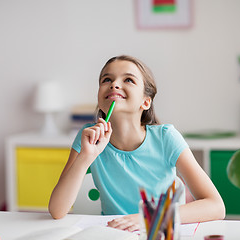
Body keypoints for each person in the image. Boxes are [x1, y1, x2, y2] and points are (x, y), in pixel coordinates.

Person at [48, 55, 225, 232]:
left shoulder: (166, 138)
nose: (114, 84)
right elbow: (57, 210)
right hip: (113, 234)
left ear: (145, 101)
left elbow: (216, 206)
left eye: (128, 80)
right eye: (107, 79)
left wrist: (149, 219)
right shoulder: (88, 137)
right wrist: (86, 156)